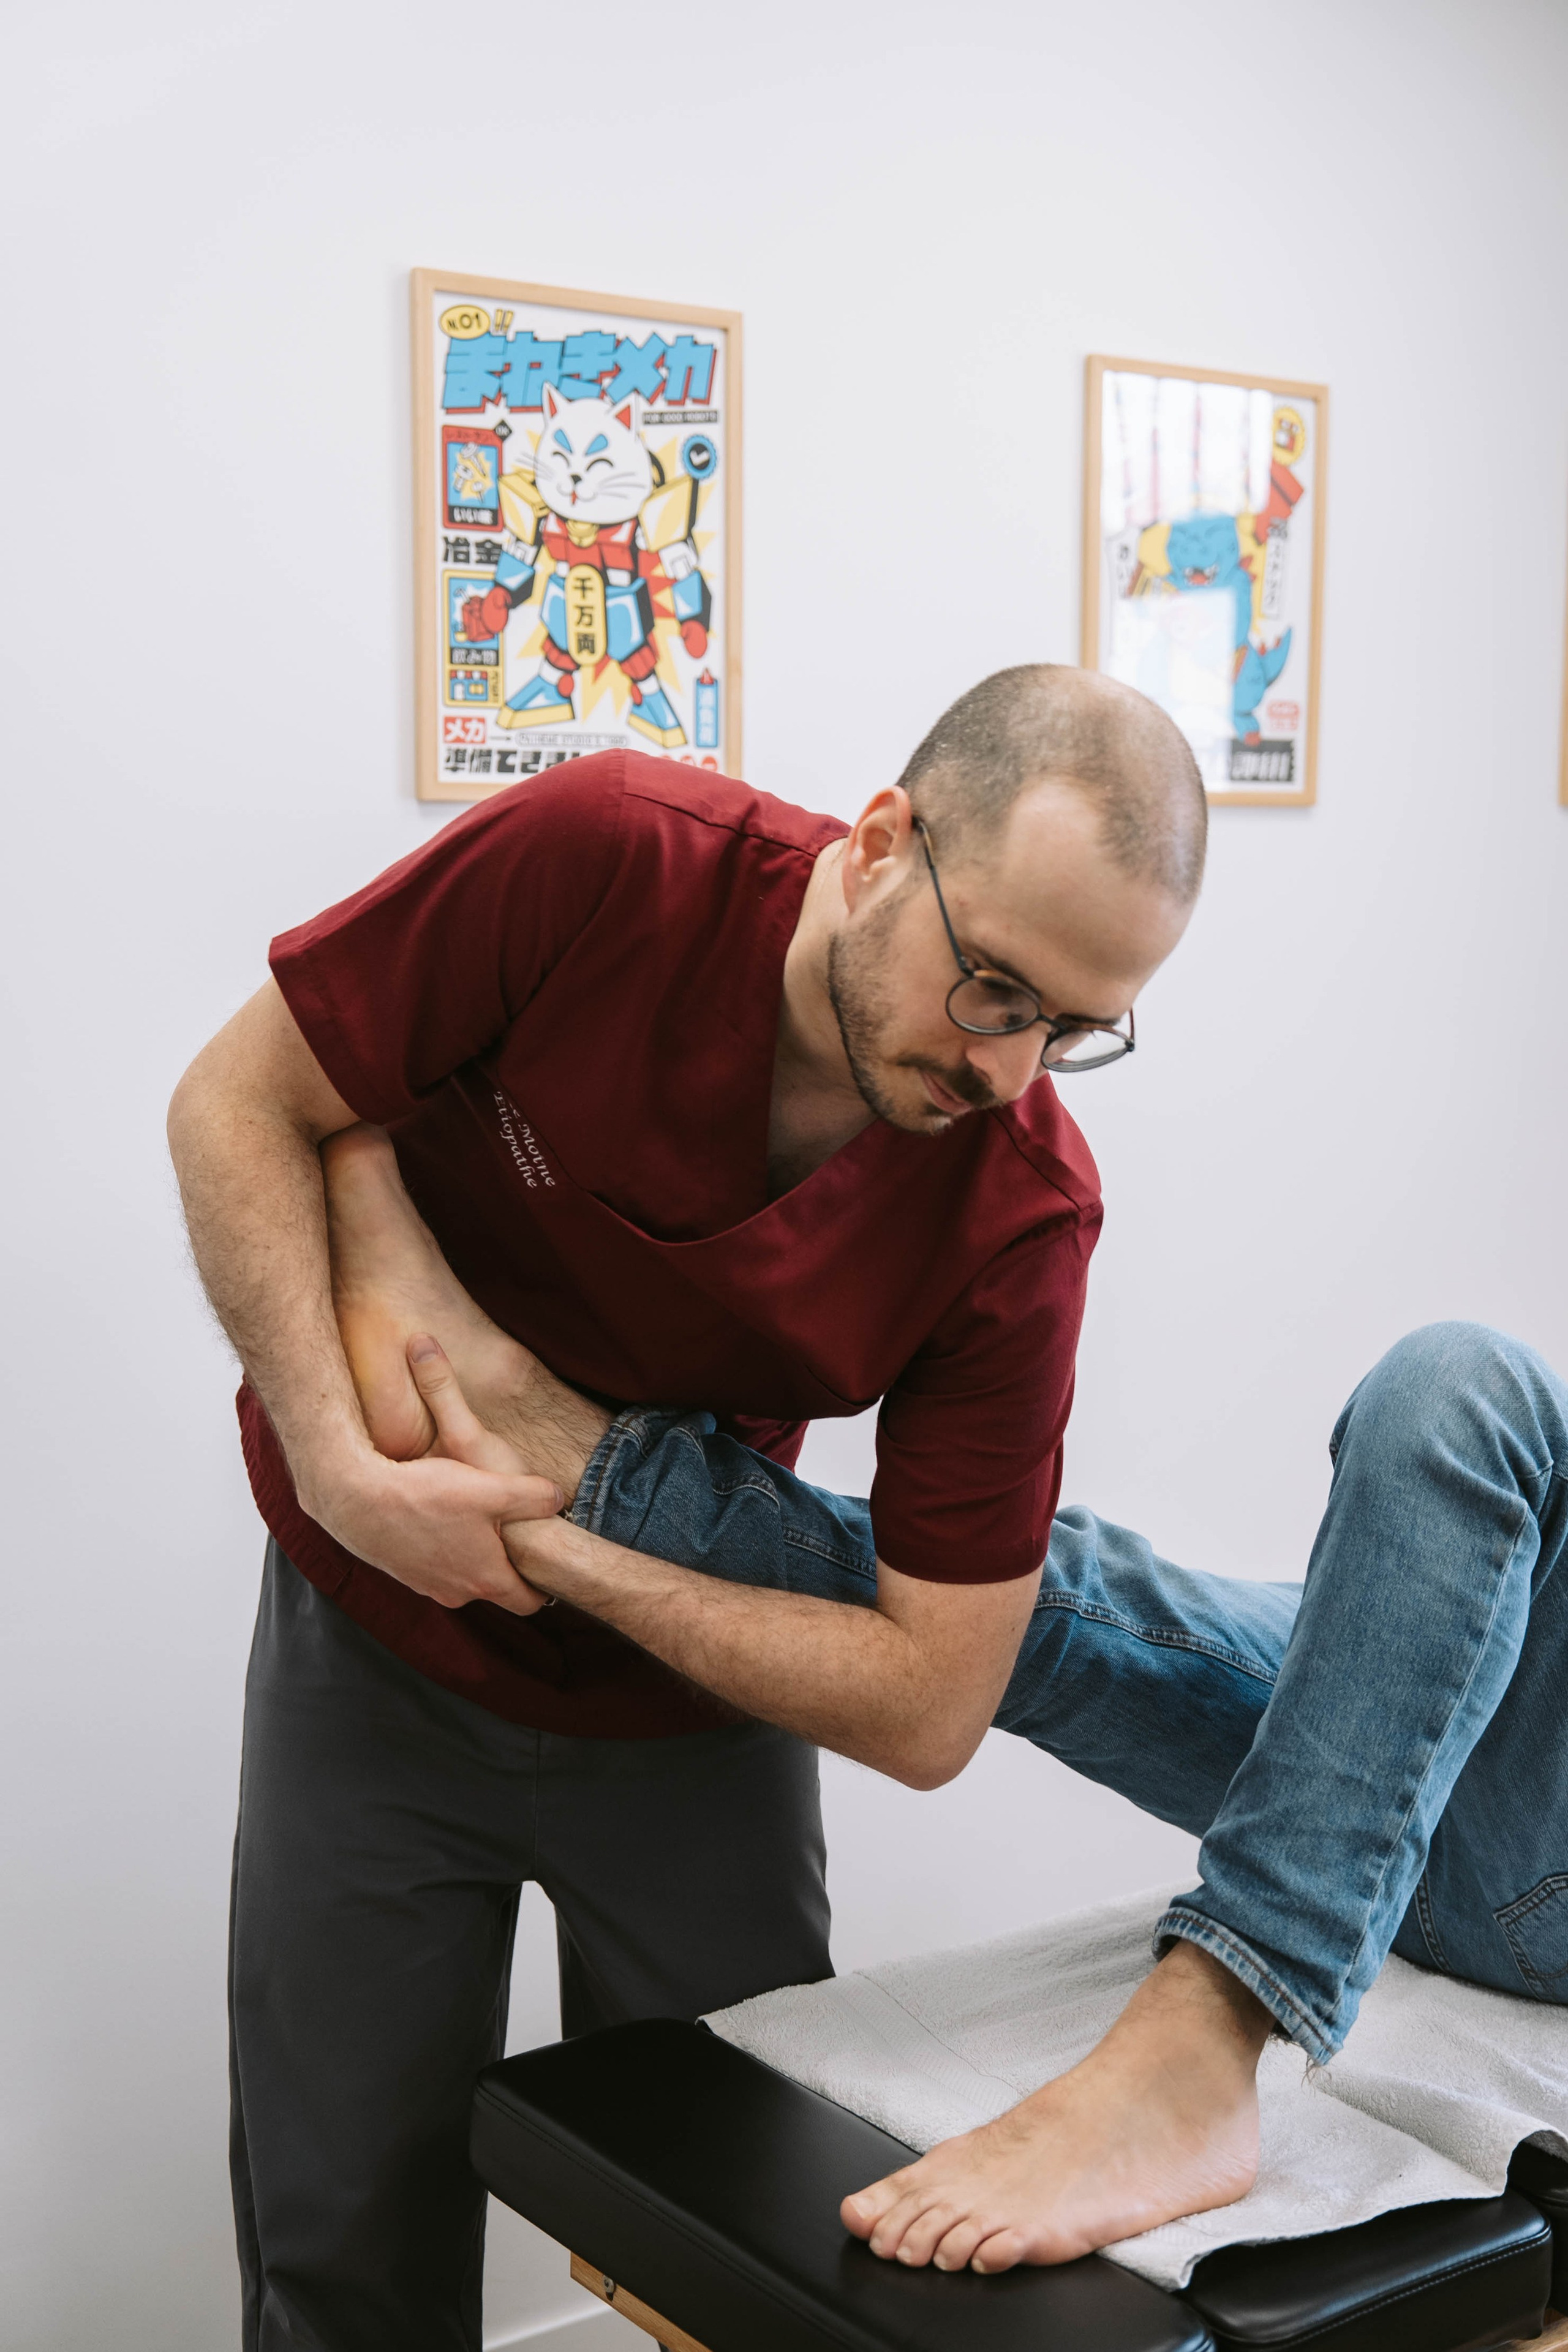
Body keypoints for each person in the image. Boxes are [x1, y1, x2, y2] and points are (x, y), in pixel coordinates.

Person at [166, 664, 1205, 2351]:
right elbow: (240, 1101)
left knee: (742, 2241)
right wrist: (347, 1478)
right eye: (997, 988)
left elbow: (937, 1703)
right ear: (882, 846)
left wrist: (564, 1524)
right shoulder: (608, 857)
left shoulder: (1020, 1208)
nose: (1011, 1068)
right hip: (369, 1655)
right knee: (338, 2230)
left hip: (702, 1720)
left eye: (1074, 1028)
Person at [328, 1163, 1568, 2282]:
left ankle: (1211, 2032)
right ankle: (583, 1475)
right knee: (1041, 1606)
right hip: (1490, 1725)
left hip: (1536, 1868)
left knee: (1457, 1378)